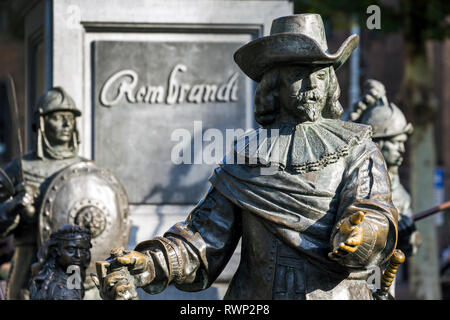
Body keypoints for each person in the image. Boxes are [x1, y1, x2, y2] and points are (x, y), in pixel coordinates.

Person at [94, 14, 398, 300]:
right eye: (297, 75)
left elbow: (374, 210)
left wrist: (362, 233)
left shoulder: (358, 148)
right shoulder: (245, 158)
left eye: (320, 76)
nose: (311, 87)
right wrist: (150, 263)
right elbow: (204, 238)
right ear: (274, 83)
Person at [0, 87, 84, 299]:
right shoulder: (18, 169)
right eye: (58, 117)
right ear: (42, 123)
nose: (67, 124)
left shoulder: (85, 171)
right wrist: (13, 206)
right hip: (28, 268)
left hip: (72, 272)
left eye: (70, 118)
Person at [351, 79, 421, 258]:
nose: (402, 149)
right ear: (379, 144)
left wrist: (407, 235)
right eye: (396, 143)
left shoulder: (401, 195)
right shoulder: (354, 184)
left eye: (403, 143)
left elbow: (411, 249)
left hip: (386, 280)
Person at [29, 224, 92, 300]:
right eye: (71, 250)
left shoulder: (68, 278)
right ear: (55, 252)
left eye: (83, 251)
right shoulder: (62, 292)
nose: (78, 255)